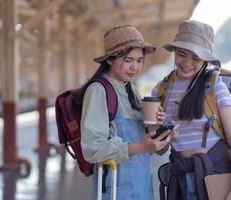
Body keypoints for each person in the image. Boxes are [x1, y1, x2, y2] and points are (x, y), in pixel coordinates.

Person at [75, 24, 175, 200]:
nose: (134, 67)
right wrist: (140, 146)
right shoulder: (99, 90)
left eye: (139, 60)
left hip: (141, 188)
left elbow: (146, 148)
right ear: (110, 59)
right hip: (116, 190)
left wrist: (157, 130)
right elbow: (92, 149)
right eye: (128, 60)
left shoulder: (131, 90)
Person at [152, 20, 231, 200]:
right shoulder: (161, 90)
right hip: (179, 178)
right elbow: (159, 150)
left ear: (205, 60)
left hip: (216, 176)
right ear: (175, 52)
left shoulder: (215, 88)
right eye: (182, 54)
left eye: (196, 58)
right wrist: (158, 128)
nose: (187, 63)